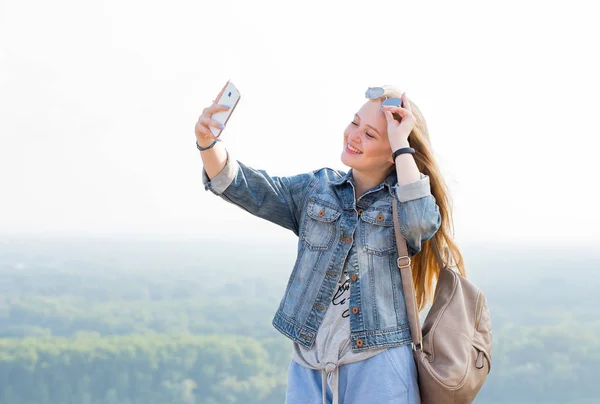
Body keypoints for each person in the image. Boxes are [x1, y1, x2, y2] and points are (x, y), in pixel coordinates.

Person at [195, 83, 464, 404]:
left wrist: (401, 145)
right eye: (354, 123)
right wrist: (207, 143)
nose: (354, 135)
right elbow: (245, 186)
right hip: (310, 366)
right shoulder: (316, 189)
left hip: (378, 366)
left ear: (393, 151)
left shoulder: (402, 202)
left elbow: (420, 221)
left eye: (370, 134)